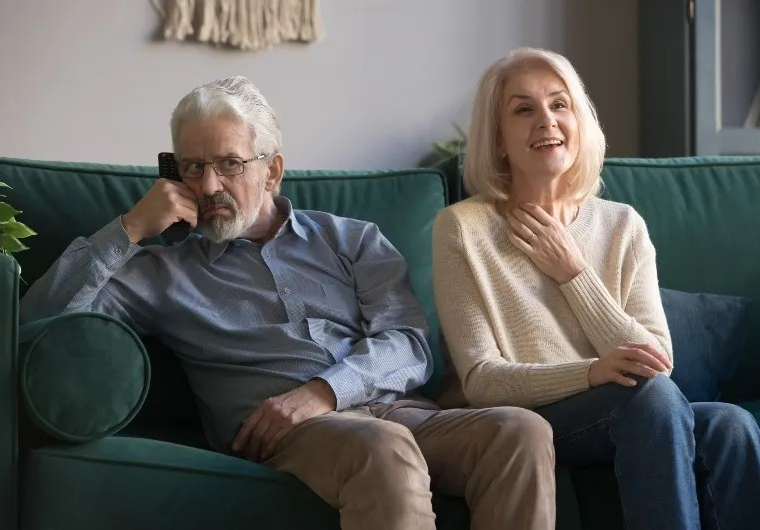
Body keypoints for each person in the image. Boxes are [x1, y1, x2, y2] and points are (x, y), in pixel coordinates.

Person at [20, 76, 556, 530]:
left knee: (520, 431)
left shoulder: (353, 240)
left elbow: (409, 345)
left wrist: (324, 390)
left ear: (272, 171)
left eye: (229, 164)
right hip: (293, 438)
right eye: (192, 167)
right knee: (382, 447)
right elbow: (36, 319)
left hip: (399, 413)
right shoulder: (161, 272)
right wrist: (131, 228)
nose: (209, 185)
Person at [432, 47, 760, 530]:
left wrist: (573, 273)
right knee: (649, 398)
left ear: (579, 122)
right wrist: (591, 373)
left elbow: (657, 360)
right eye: (523, 109)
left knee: (731, 425)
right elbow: (482, 380)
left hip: (625, 408)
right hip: (526, 419)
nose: (546, 120)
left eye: (559, 104)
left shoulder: (623, 225)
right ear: (498, 139)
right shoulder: (463, 228)